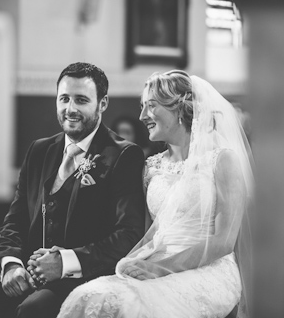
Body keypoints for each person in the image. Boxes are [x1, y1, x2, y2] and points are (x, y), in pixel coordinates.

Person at [0, 63, 146, 318]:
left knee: (31, 311)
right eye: (64, 99)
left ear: (103, 103)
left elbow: (128, 234)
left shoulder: (124, 155)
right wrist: (11, 264)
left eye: (81, 100)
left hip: (79, 274)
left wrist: (64, 263)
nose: (70, 109)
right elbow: (15, 219)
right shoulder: (39, 150)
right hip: (25, 267)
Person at [58, 70, 254, 318]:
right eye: (142, 107)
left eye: (151, 106)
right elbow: (148, 233)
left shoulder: (222, 160)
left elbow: (223, 242)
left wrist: (162, 268)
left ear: (179, 107)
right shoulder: (151, 167)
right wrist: (129, 264)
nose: (142, 116)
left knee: (131, 309)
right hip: (154, 263)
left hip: (208, 271)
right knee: (88, 297)